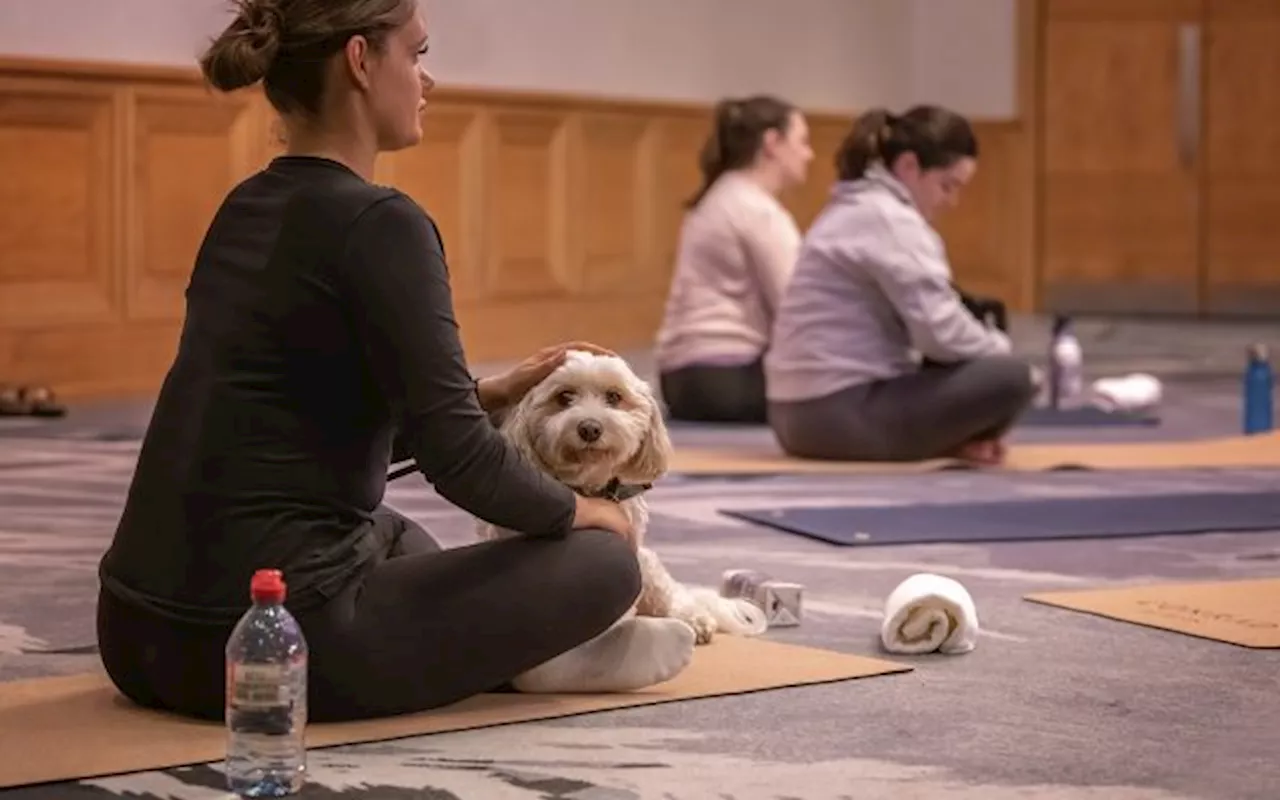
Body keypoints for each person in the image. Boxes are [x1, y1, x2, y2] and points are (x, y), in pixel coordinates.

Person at [95, 0, 696, 725]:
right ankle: (540, 660)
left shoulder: (246, 205)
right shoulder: (384, 223)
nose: (427, 80)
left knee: (397, 536)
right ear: (359, 60)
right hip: (268, 643)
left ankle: (526, 648)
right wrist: (592, 511)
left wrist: (489, 392)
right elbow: (460, 462)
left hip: (134, 633)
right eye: (416, 54)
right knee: (601, 562)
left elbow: (312, 422)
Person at [764, 105, 1035, 465]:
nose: (951, 202)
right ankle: (955, 441)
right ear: (909, 167)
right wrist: (1000, 349)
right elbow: (940, 334)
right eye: (947, 185)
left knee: (970, 363)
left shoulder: (852, 207)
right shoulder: (891, 220)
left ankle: (954, 443)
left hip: (793, 416)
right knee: (1014, 377)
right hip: (836, 415)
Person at [653, 95, 813, 424]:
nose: (809, 154)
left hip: (680, 381)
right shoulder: (757, 210)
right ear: (772, 143)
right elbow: (797, 307)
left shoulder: (717, 197)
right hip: (728, 380)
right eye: (802, 141)